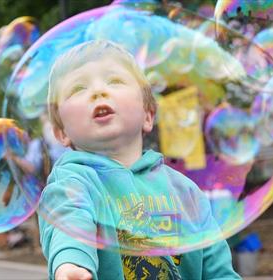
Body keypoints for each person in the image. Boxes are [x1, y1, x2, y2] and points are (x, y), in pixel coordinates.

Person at [38, 40, 240, 279]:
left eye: (114, 81)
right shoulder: (72, 182)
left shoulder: (185, 191)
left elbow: (217, 269)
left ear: (147, 115)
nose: (98, 91)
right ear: (61, 132)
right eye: (78, 88)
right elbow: (69, 220)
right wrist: (71, 265)